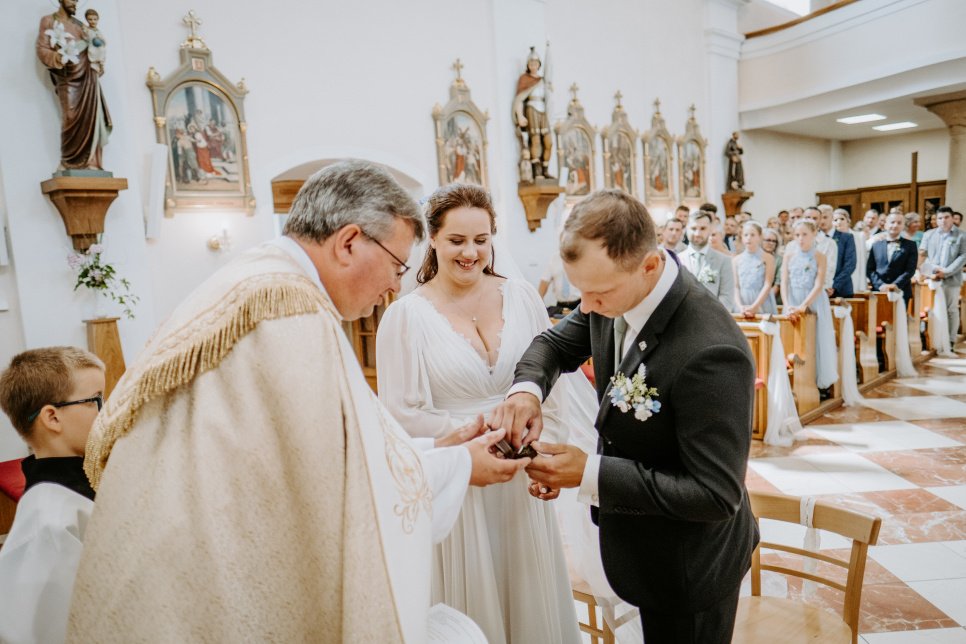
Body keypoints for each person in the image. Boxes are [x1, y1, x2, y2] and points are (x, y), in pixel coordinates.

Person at [68, 161, 529, 642]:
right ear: (349, 243)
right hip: (190, 573)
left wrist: (440, 449)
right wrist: (460, 466)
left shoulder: (258, 278)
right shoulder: (292, 316)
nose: (396, 285)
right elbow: (338, 479)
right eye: (396, 265)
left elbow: (328, 452)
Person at [489, 189, 758, 644]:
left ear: (649, 265)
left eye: (597, 293)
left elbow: (714, 494)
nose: (586, 307)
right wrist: (526, 392)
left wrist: (589, 473)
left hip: (689, 567)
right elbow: (553, 345)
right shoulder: (611, 295)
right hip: (640, 545)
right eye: (581, 292)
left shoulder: (711, 350)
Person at [376, 184, 582, 644]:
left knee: (530, 603)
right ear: (433, 238)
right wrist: (482, 435)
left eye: (481, 240)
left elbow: (551, 389)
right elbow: (401, 415)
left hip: (522, 479)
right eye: (457, 240)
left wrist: (543, 452)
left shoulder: (523, 297)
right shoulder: (406, 317)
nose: (470, 252)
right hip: (460, 483)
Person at [0, 347, 104, 644]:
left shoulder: (84, 479)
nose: (106, 412)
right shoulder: (50, 522)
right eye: (96, 400)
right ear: (52, 418)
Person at [36, 0, 113, 171]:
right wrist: (58, 57)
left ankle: (91, 162)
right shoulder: (49, 21)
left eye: (77, 0)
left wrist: (99, 60)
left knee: (91, 117)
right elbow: (42, 49)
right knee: (70, 116)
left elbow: (95, 45)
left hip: (88, 76)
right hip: (67, 76)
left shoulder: (81, 26)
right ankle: (70, 162)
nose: (75, 2)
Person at [782, 220, 838, 395]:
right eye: (797, 235)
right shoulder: (788, 256)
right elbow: (784, 282)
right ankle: (796, 382)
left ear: (814, 234)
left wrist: (803, 306)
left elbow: (819, 284)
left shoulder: (819, 256)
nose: (800, 238)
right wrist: (787, 305)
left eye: (804, 234)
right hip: (793, 300)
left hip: (814, 301)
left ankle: (818, 382)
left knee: (816, 339)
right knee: (794, 340)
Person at [919, 206, 966, 342]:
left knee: (951, 309)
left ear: (952, 218)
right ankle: (933, 339)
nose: (943, 221)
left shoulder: (962, 235)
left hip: (952, 278)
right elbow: (922, 254)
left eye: (946, 217)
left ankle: (950, 340)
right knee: (931, 309)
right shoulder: (929, 234)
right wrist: (928, 271)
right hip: (932, 278)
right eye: (940, 218)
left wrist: (946, 272)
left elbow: (963, 256)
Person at [681, 210, 736, 312]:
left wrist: (708, 317)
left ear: (710, 229)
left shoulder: (724, 261)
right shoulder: (677, 260)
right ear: (686, 229)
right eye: (693, 228)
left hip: (714, 318)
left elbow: (727, 298)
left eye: (703, 228)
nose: (697, 233)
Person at [513, 47, 552, 181]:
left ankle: (545, 169)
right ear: (528, 65)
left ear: (539, 64)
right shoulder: (524, 79)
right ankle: (537, 171)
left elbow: (549, 98)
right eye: (531, 63)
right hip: (531, 109)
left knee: (548, 142)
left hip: (542, 110)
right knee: (535, 140)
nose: (533, 65)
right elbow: (519, 99)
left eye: (535, 63)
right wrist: (520, 115)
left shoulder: (542, 80)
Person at [868, 212, 918, 304]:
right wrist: (880, 285)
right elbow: (870, 269)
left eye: (899, 223)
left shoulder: (910, 245)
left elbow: (910, 269)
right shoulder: (876, 245)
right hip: (879, 291)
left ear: (903, 226)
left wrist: (895, 285)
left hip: (901, 290)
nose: (895, 225)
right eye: (892, 222)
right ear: (886, 224)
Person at [734, 221, 777, 316]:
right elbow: (736, 286)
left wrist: (755, 306)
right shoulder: (736, 260)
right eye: (746, 235)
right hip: (742, 303)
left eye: (752, 235)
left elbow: (768, 284)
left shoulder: (768, 258)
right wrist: (740, 306)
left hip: (761, 302)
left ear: (760, 237)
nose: (749, 238)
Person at [830, 209, 856, 297]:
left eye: (842, 219)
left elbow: (850, 264)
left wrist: (834, 285)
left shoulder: (850, 237)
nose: (839, 222)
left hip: (842, 286)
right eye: (835, 220)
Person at [762, 227, 783, 307]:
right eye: (768, 240)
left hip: (772, 300)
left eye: (774, 241)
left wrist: (764, 301)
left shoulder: (779, 260)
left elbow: (777, 285)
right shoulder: (755, 258)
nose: (771, 243)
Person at [83, 9, 105, 75]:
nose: (93, 21)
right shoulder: (87, 30)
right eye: (90, 19)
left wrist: (101, 41)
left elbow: (103, 40)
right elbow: (85, 38)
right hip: (92, 50)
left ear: (98, 19)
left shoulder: (98, 31)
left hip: (100, 50)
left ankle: (101, 65)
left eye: (95, 19)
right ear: (87, 20)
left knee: (101, 50)